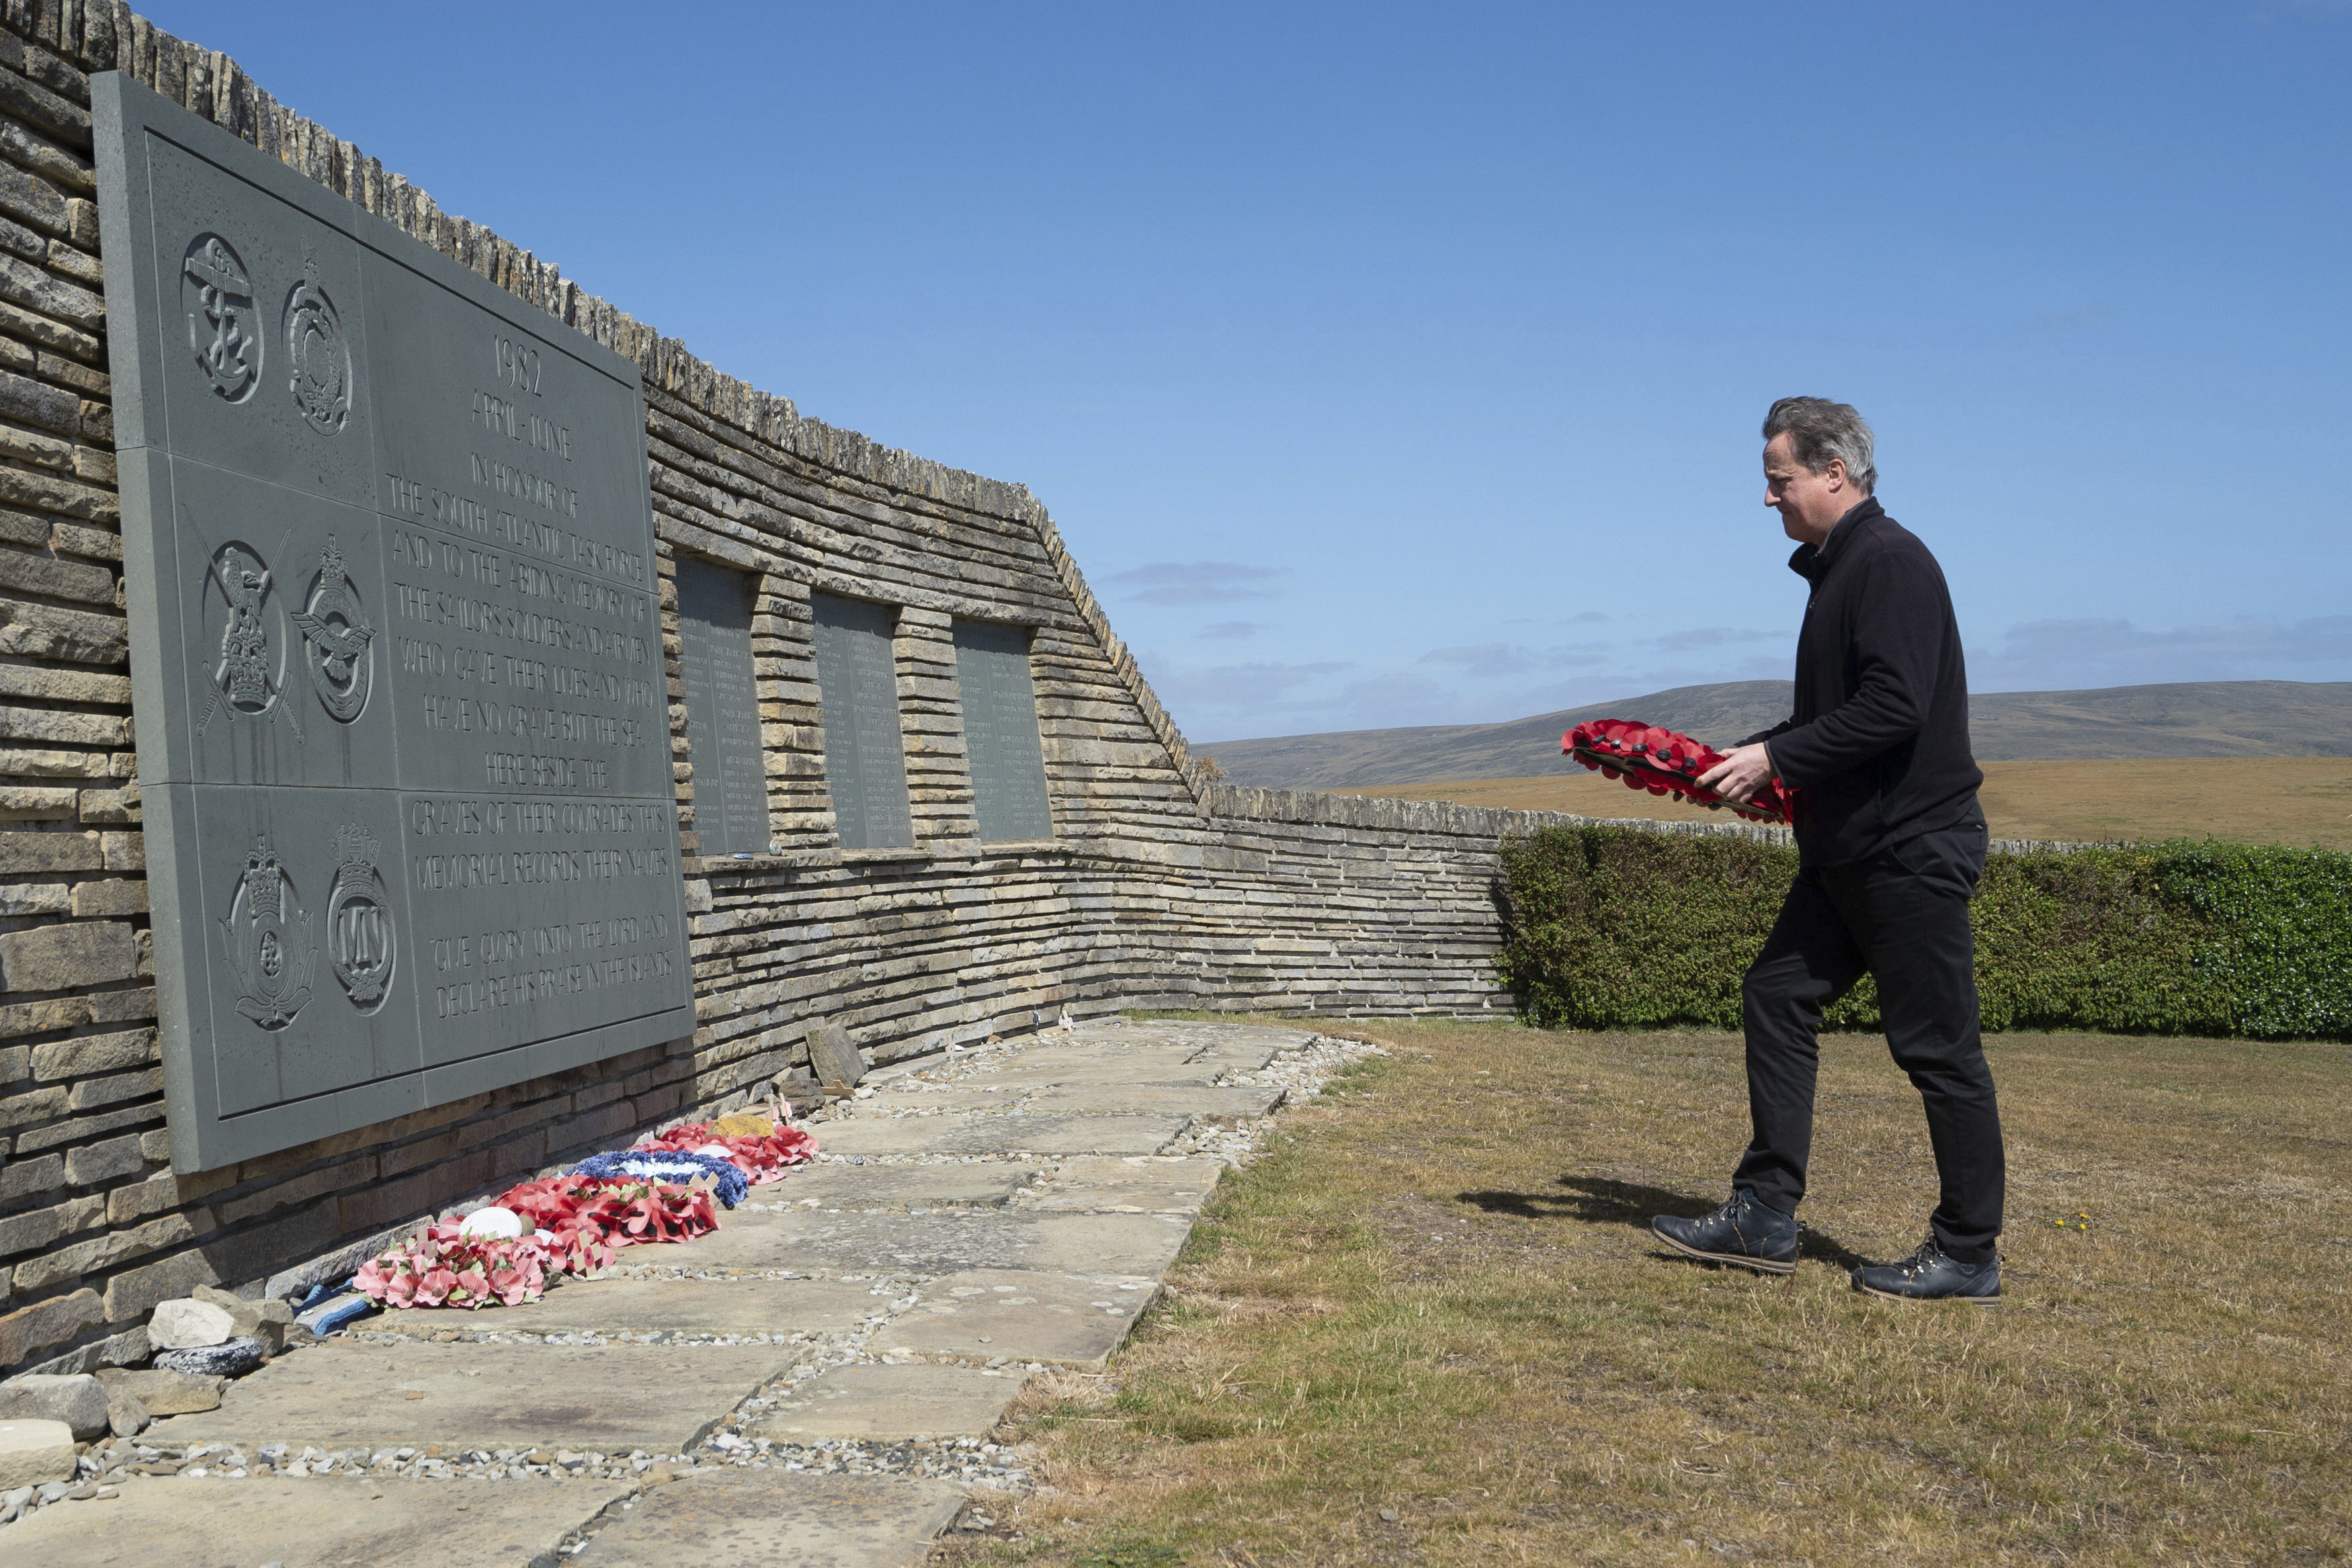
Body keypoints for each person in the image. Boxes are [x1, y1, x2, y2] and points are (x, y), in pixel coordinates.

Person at [1652, 396, 2005, 1303]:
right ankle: (1765, 1212)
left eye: (1780, 481)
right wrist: (1750, 763)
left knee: (1938, 1048)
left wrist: (1778, 755)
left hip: (1911, 848)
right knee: (1777, 994)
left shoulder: (1891, 562)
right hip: (1851, 851)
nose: (1769, 499)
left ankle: (1968, 1250)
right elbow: (1831, 723)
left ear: (1833, 473)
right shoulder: (1840, 572)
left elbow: (1897, 707)